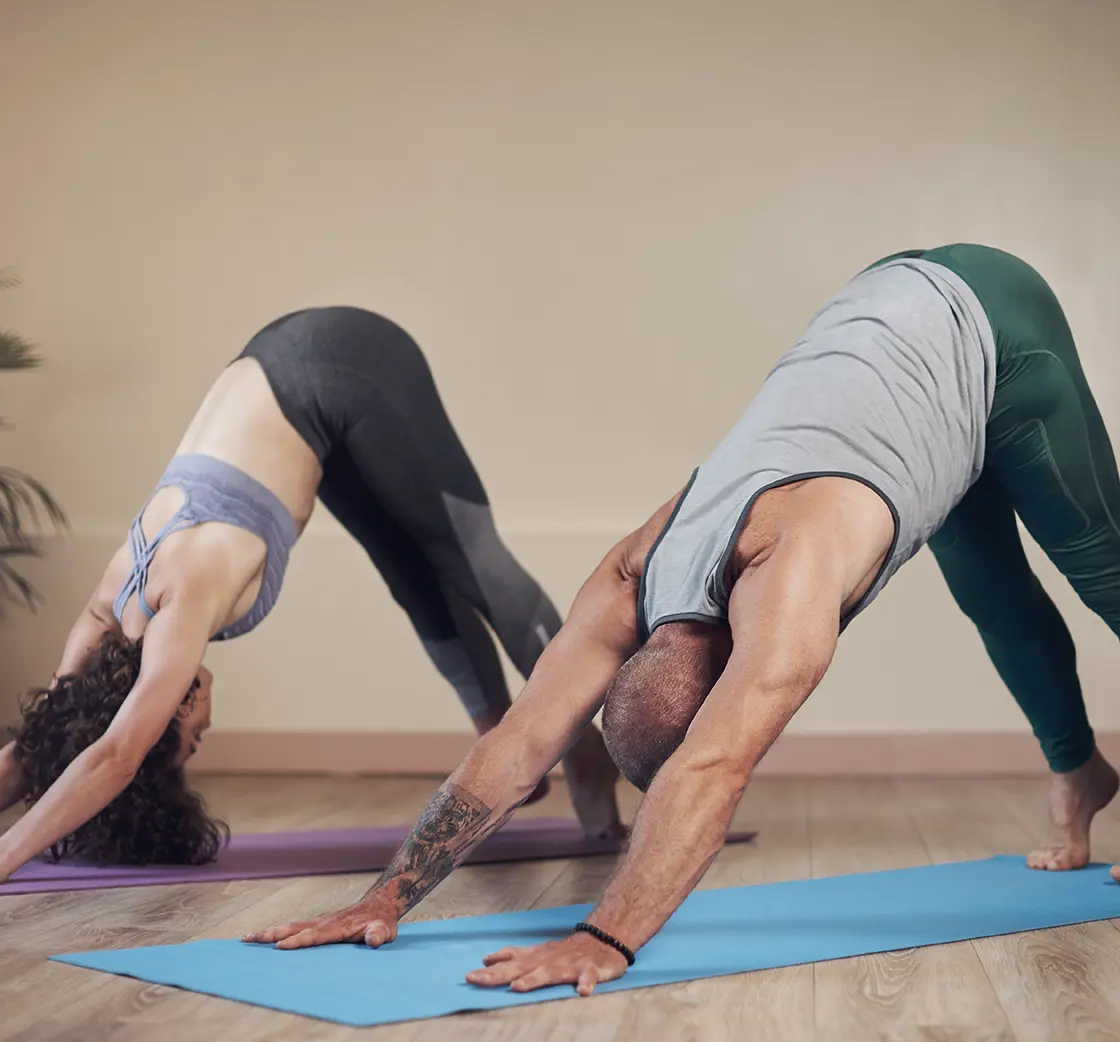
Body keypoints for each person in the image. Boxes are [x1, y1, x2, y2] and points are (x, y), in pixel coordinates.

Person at [245, 244, 1120, 997]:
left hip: (995, 324)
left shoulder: (791, 579)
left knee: (1105, 575)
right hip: (892, 326)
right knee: (994, 597)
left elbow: (715, 765)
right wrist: (386, 897)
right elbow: (518, 742)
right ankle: (1079, 774)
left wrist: (606, 936)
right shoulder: (637, 571)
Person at [0, 308, 621, 890]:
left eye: (188, 741)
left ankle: (582, 750)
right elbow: (37, 747)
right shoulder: (109, 612)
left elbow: (114, 756)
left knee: (470, 559)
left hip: (344, 358)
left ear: (173, 710)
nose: (202, 735)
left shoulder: (182, 598)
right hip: (291, 387)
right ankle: (504, 747)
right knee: (413, 577)